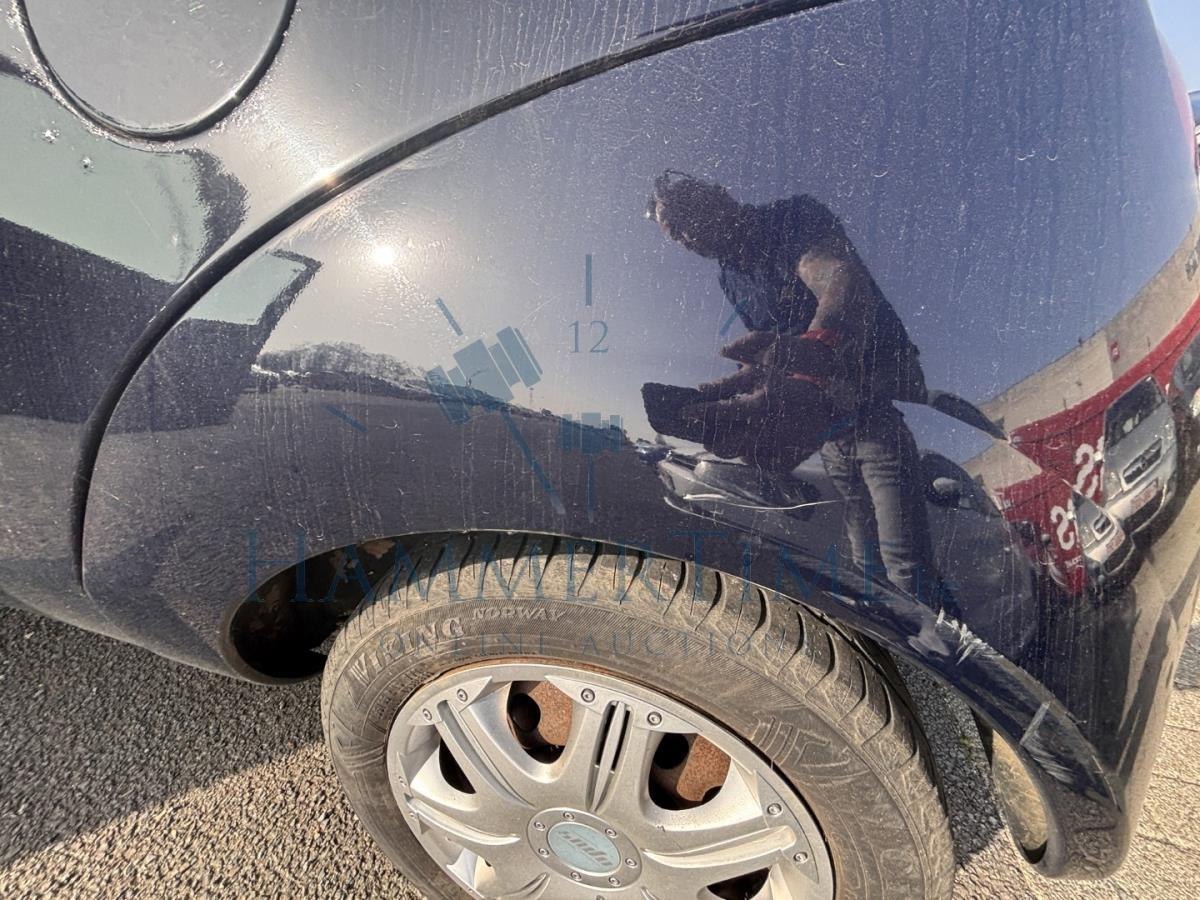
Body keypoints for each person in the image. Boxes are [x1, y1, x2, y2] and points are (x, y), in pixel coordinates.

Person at [649, 174, 956, 613]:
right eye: (674, 233)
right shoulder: (729, 277)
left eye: (684, 219)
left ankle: (957, 650)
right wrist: (746, 385)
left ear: (717, 195)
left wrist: (819, 350)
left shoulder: (790, 216)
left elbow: (835, 276)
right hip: (830, 434)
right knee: (866, 567)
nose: (684, 238)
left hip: (871, 414)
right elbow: (770, 345)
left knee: (906, 566)